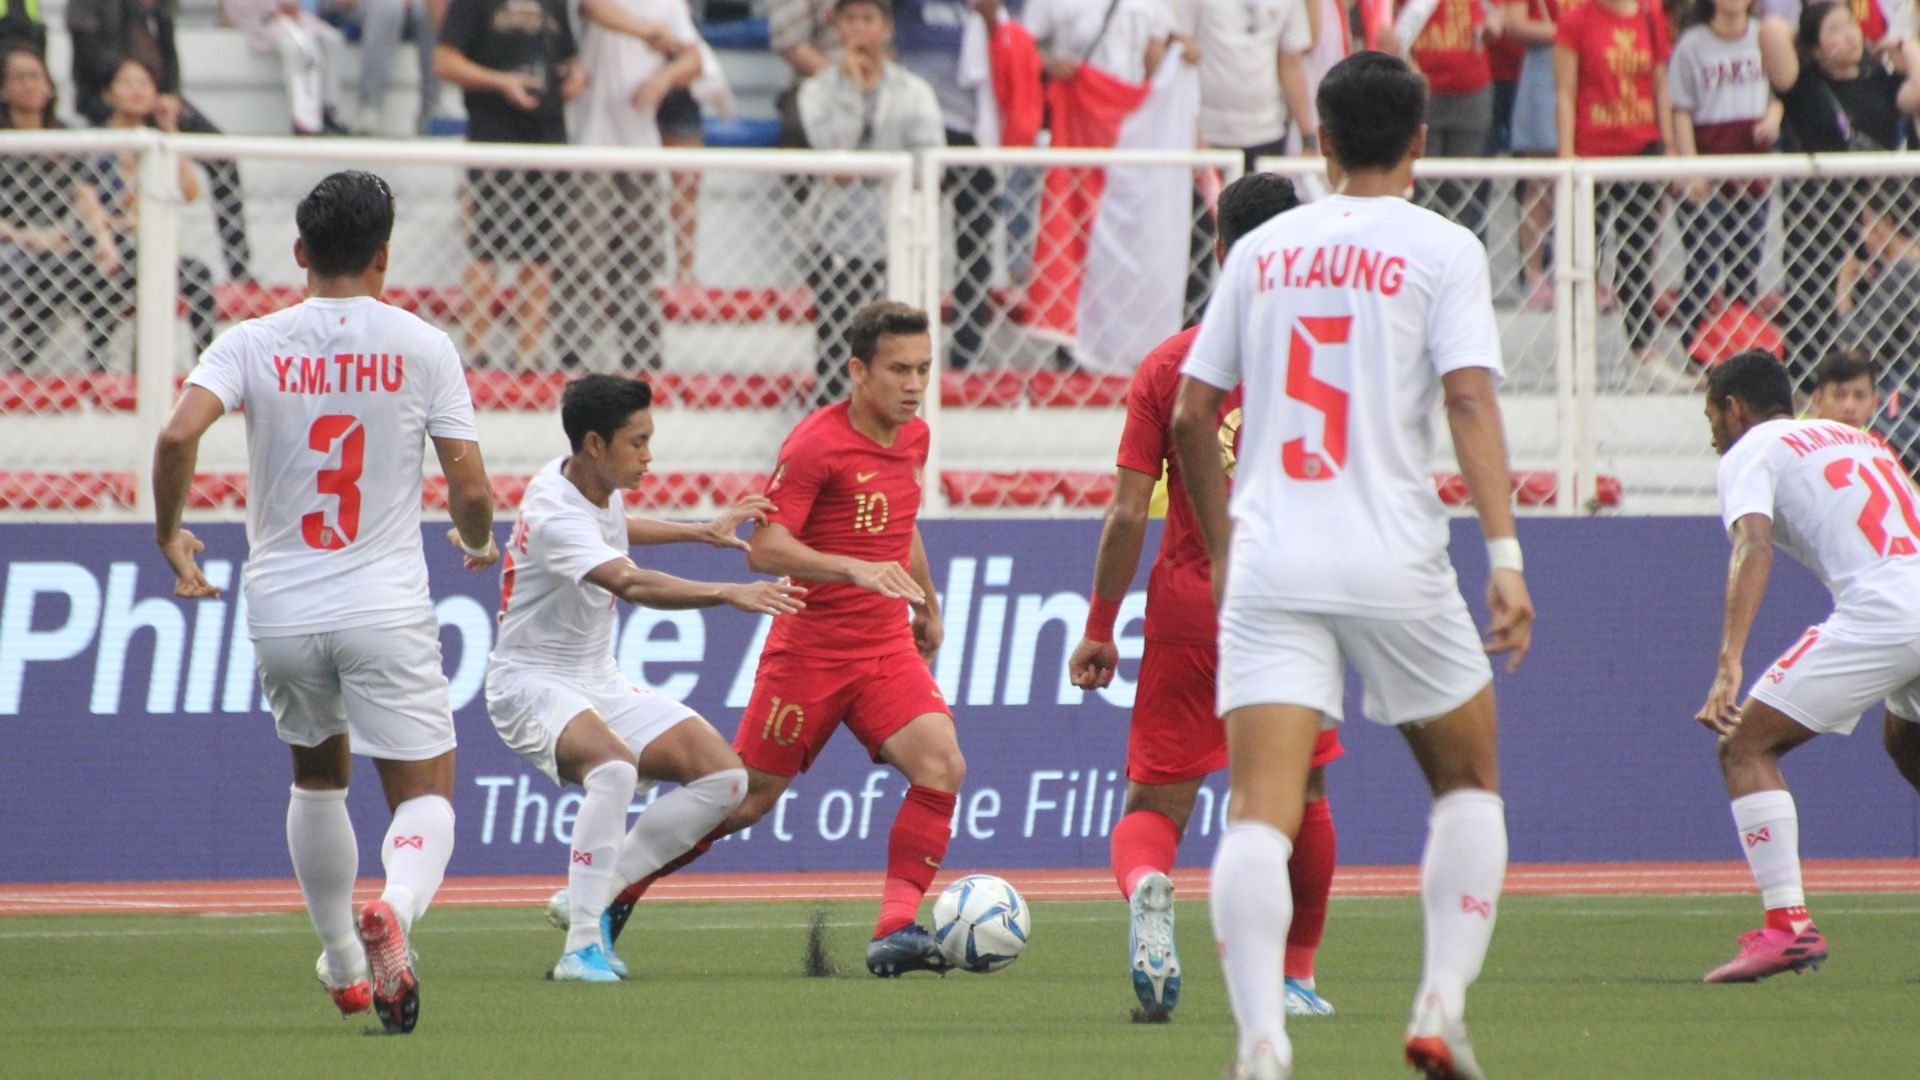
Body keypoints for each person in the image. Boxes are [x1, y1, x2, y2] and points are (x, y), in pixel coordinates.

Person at [1172, 51, 1535, 1079]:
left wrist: (1230, 542)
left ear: (1319, 142)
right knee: (1468, 783)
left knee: (1258, 812)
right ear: (1421, 143)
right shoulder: (1445, 248)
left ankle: (1259, 1042)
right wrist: (1504, 554)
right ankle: (1437, 1004)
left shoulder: (1261, 249)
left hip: (1275, 562)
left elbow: (1194, 413)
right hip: (1394, 555)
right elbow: (1468, 400)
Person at [151, 170, 499, 1034]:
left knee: (317, 781)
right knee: (426, 795)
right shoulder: (423, 345)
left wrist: (170, 534)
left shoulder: (249, 341)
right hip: (382, 602)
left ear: (300, 253)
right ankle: (396, 915)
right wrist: (480, 537)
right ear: (385, 257)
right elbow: (473, 490)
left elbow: (175, 434)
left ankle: (346, 964)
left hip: (282, 606)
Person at [592, 301, 965, 979]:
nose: (914, 384)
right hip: (811, 651)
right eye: (899, 369)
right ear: (858, 370)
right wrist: (849, 568)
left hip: (883, 648)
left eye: (924, 369)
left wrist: (926, 606)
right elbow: (764, 550)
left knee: (942, 766)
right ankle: (615, 890)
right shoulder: (814, 445)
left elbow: (901, 522)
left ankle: (895, 930)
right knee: (747, 798)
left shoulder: (914, 437)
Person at [1066, 173, 1346, 1023]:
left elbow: (1124, 513)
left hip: (1194, 601)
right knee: (1301, 798)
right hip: (1294, 597)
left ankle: (1152, 885)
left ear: (1219, 249)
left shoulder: (1168, 364)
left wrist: (1100, 628)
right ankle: (1293, 975)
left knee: (1155, 805)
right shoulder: (1327, 349)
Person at [487, 375, 806, 981]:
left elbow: (615, 526)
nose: (649, 455)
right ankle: (580, 946)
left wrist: (699, 532)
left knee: (726, 779)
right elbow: (630, 582)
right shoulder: (555, 514)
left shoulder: (585, 483)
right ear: (594, 444)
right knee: (612, 769)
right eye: (638, 442)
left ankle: (594, 889)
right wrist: (727, 591)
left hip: (594, 678)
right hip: (530, 683)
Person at [1694, 349, 1920, 983]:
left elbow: (1754, 543)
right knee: (1906, 740)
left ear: (1734, 409)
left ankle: (1787, 927)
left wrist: (1729, 661)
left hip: (1883, 609)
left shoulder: (1750, 449)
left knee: (1743, 747)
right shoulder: (1858, 439)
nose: (1711, 430)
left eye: (1711, 414)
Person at [1759, 4, 1920, 388]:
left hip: (1877, 218)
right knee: (1814, 316)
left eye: (1851, 24)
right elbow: (1770, 30)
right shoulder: (1805, 87)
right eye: (1835, 29)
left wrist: (1904, 45)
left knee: (1882, 318)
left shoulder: (1878, 81)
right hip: (1818, 222)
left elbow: (1915, 95)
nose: (1849, 35)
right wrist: (1811, 39)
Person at [798, 0, 944, 404]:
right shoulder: (817, 90)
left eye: (868, 18)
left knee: (895, 346)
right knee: (835, 347)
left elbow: (929, 164)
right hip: (834, 239)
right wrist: (851, 90)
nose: (858, 29)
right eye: (849, 19)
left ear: (886, 27)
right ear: (837, 27)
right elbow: (835, 157)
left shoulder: (915, 92)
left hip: (894, 238)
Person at [434, 0, 585, 371]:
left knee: (540, 251)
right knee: (487, 245)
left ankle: (528, 355)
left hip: (548, 137)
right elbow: (445, 61)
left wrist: (574, 76)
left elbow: (572, 58)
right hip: (494, 136)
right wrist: (502, 82)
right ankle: (477, 352)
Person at [67, 0, 255, 284]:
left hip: (152, 92)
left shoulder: (161, 8)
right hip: (105, 92)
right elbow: (86, 57)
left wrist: (169, 94)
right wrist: (125, 85)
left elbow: (168, 46)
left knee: (222, 153)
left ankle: (239, 265)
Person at [562, 0, 702, 371]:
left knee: (639, 258)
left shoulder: (668, 5)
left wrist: (665, 78)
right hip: (592, 143)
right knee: (582, 255)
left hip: (640, 146)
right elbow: (593, 8)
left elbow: (694, 58)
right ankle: (574, 355)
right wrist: (648, 32)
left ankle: (642, 355)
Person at [1556, 0, 1676, 383]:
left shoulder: (1649, 14)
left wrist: (1669, 147)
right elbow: (1565, 91)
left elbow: (1659, 83)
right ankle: (1576, 352)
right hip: (1591, 151)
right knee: (1582, 258)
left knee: (1638, 255)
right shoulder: (1576, 20)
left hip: (1641, 147)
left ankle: (1641, 350)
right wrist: (1566, 157)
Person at [1668, 0, 1780, 352]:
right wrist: (1691, 168)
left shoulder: (1765, 37)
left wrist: (1773, 119)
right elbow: (1681, 109)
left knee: (1745, 266)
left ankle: (1740, 350)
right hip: (1710, 163)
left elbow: (1782, 90)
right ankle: (1695, 349)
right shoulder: (1692, 44)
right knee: (1703, 264)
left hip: (1752, 169)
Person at [91, 57, 218, 360]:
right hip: (110, 248)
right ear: (109, 93)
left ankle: (208, 363)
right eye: (127, 83)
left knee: (198, 274)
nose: (136, 90)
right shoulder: (95, 142)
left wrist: (170, 129)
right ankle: (95, 367)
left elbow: (190, 191)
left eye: (144, 83)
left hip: (155, 247)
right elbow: (85, 200)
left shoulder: (160, 142)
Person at [0, 45, 119, 368]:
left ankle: (98, 367)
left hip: (54, 239)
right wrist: (26, 238)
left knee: (96, 271)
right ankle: (20, 370)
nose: (30, 84)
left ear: (49, 86)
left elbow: (84, 193)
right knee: (45, 267)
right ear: (4, 88)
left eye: (36, 76)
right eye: (20, 77)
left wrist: (104, 240)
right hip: (10, 240)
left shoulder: (64, 136)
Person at [1176, 0, 1318, 172]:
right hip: (1208, 136)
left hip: (1267, 133)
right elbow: (1180, 53)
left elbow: (1292, 64)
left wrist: (1308, 139)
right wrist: (1194, 133)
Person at [225, 0, 352, 135]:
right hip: (263, 22)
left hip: (292, 17)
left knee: (332, 39)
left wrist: (290, 9)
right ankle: (302, 118)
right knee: (294, 48)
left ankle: (328, 108)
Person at [1804, 349, 1878, 428]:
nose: (1849, 407)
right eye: (1839, 395)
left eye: (1860, 396)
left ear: (1873, 404)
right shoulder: (1796, 436)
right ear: (1818, 400)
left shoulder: (1873, 440)